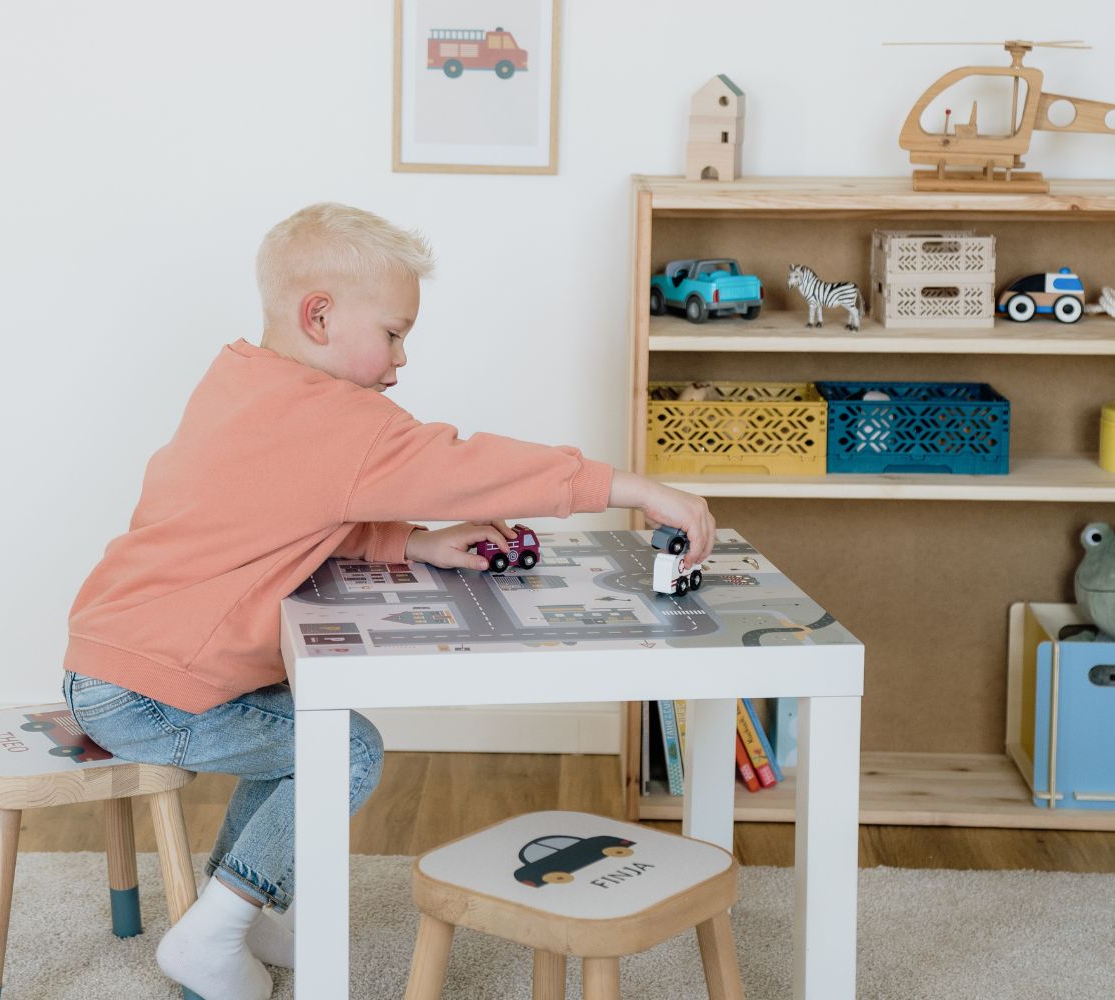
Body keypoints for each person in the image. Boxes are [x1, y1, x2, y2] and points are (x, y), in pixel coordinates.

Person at [61, 202, 715, 1000]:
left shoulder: (244, 380)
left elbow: (288, 516)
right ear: (320, 316)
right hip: (151, 691)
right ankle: (216, 925)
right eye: (395, 333)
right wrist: (631, 486)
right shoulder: (340, 418)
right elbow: (468, 466)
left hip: (115, 663)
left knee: (305, 734)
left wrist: (412, 542)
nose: (403, 359)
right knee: (348, 748)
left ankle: (234, 905)